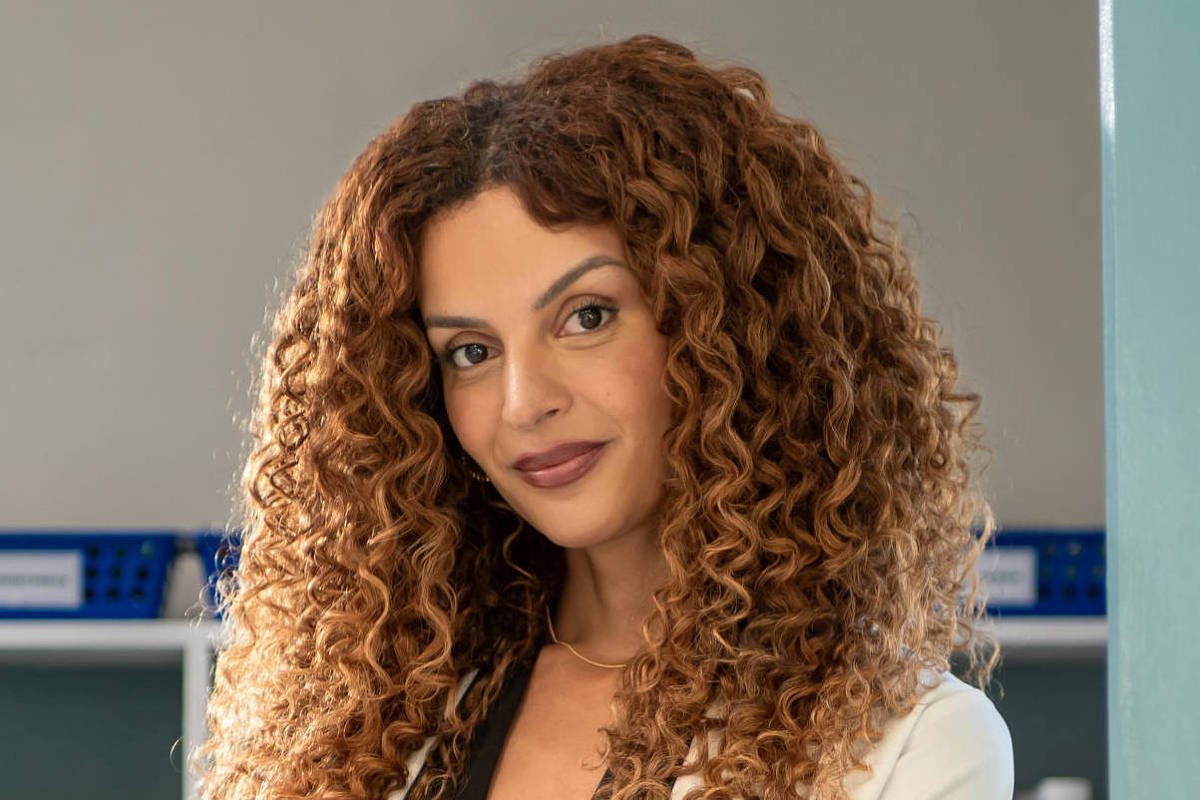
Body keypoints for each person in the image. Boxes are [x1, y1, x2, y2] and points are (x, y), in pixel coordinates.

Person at [195, 34, 1013, 800]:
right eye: (471, 352)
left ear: (726, 328)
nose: (525, 402)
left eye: (586, 317)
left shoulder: (907, 745)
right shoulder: (372, 726)